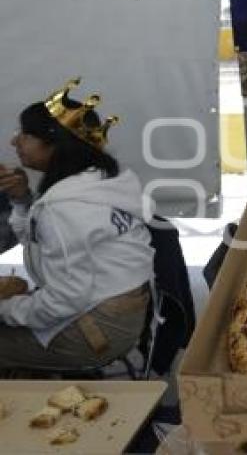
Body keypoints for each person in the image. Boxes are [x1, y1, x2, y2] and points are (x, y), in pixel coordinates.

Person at [0, 78, 153, 372]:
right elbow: (42, 243)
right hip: (124, 316)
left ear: (55, 143)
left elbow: (63, 300)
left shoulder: (65, 206)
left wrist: (6, 310)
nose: (14, 141)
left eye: (25, 134)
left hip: (94, 331)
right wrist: (22, 201)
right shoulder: (100, 180)